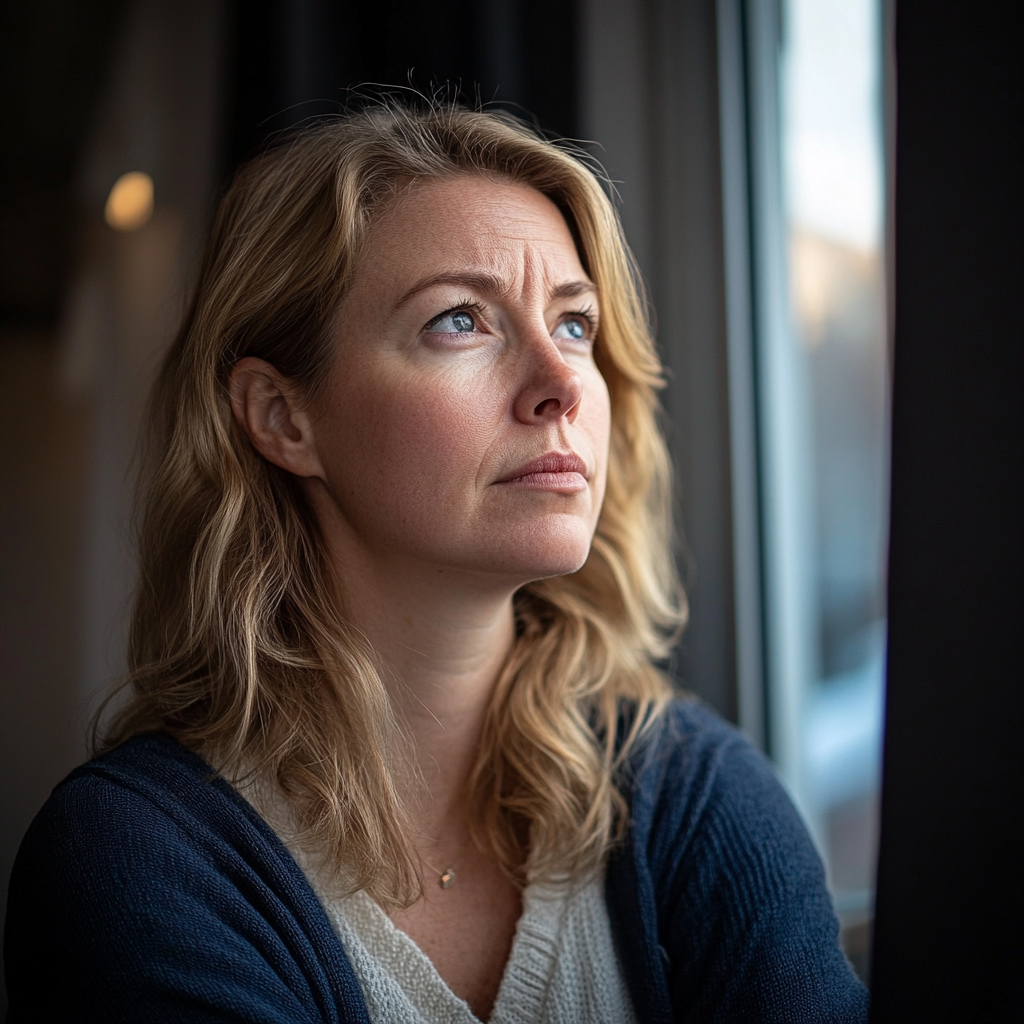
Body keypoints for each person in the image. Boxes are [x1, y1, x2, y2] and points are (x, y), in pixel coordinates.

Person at [4, 100, 868, 1023]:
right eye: (461, 321)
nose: (561, 384)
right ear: (282, 418)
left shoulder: (690, 794)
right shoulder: (136, 860)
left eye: (575, 325)